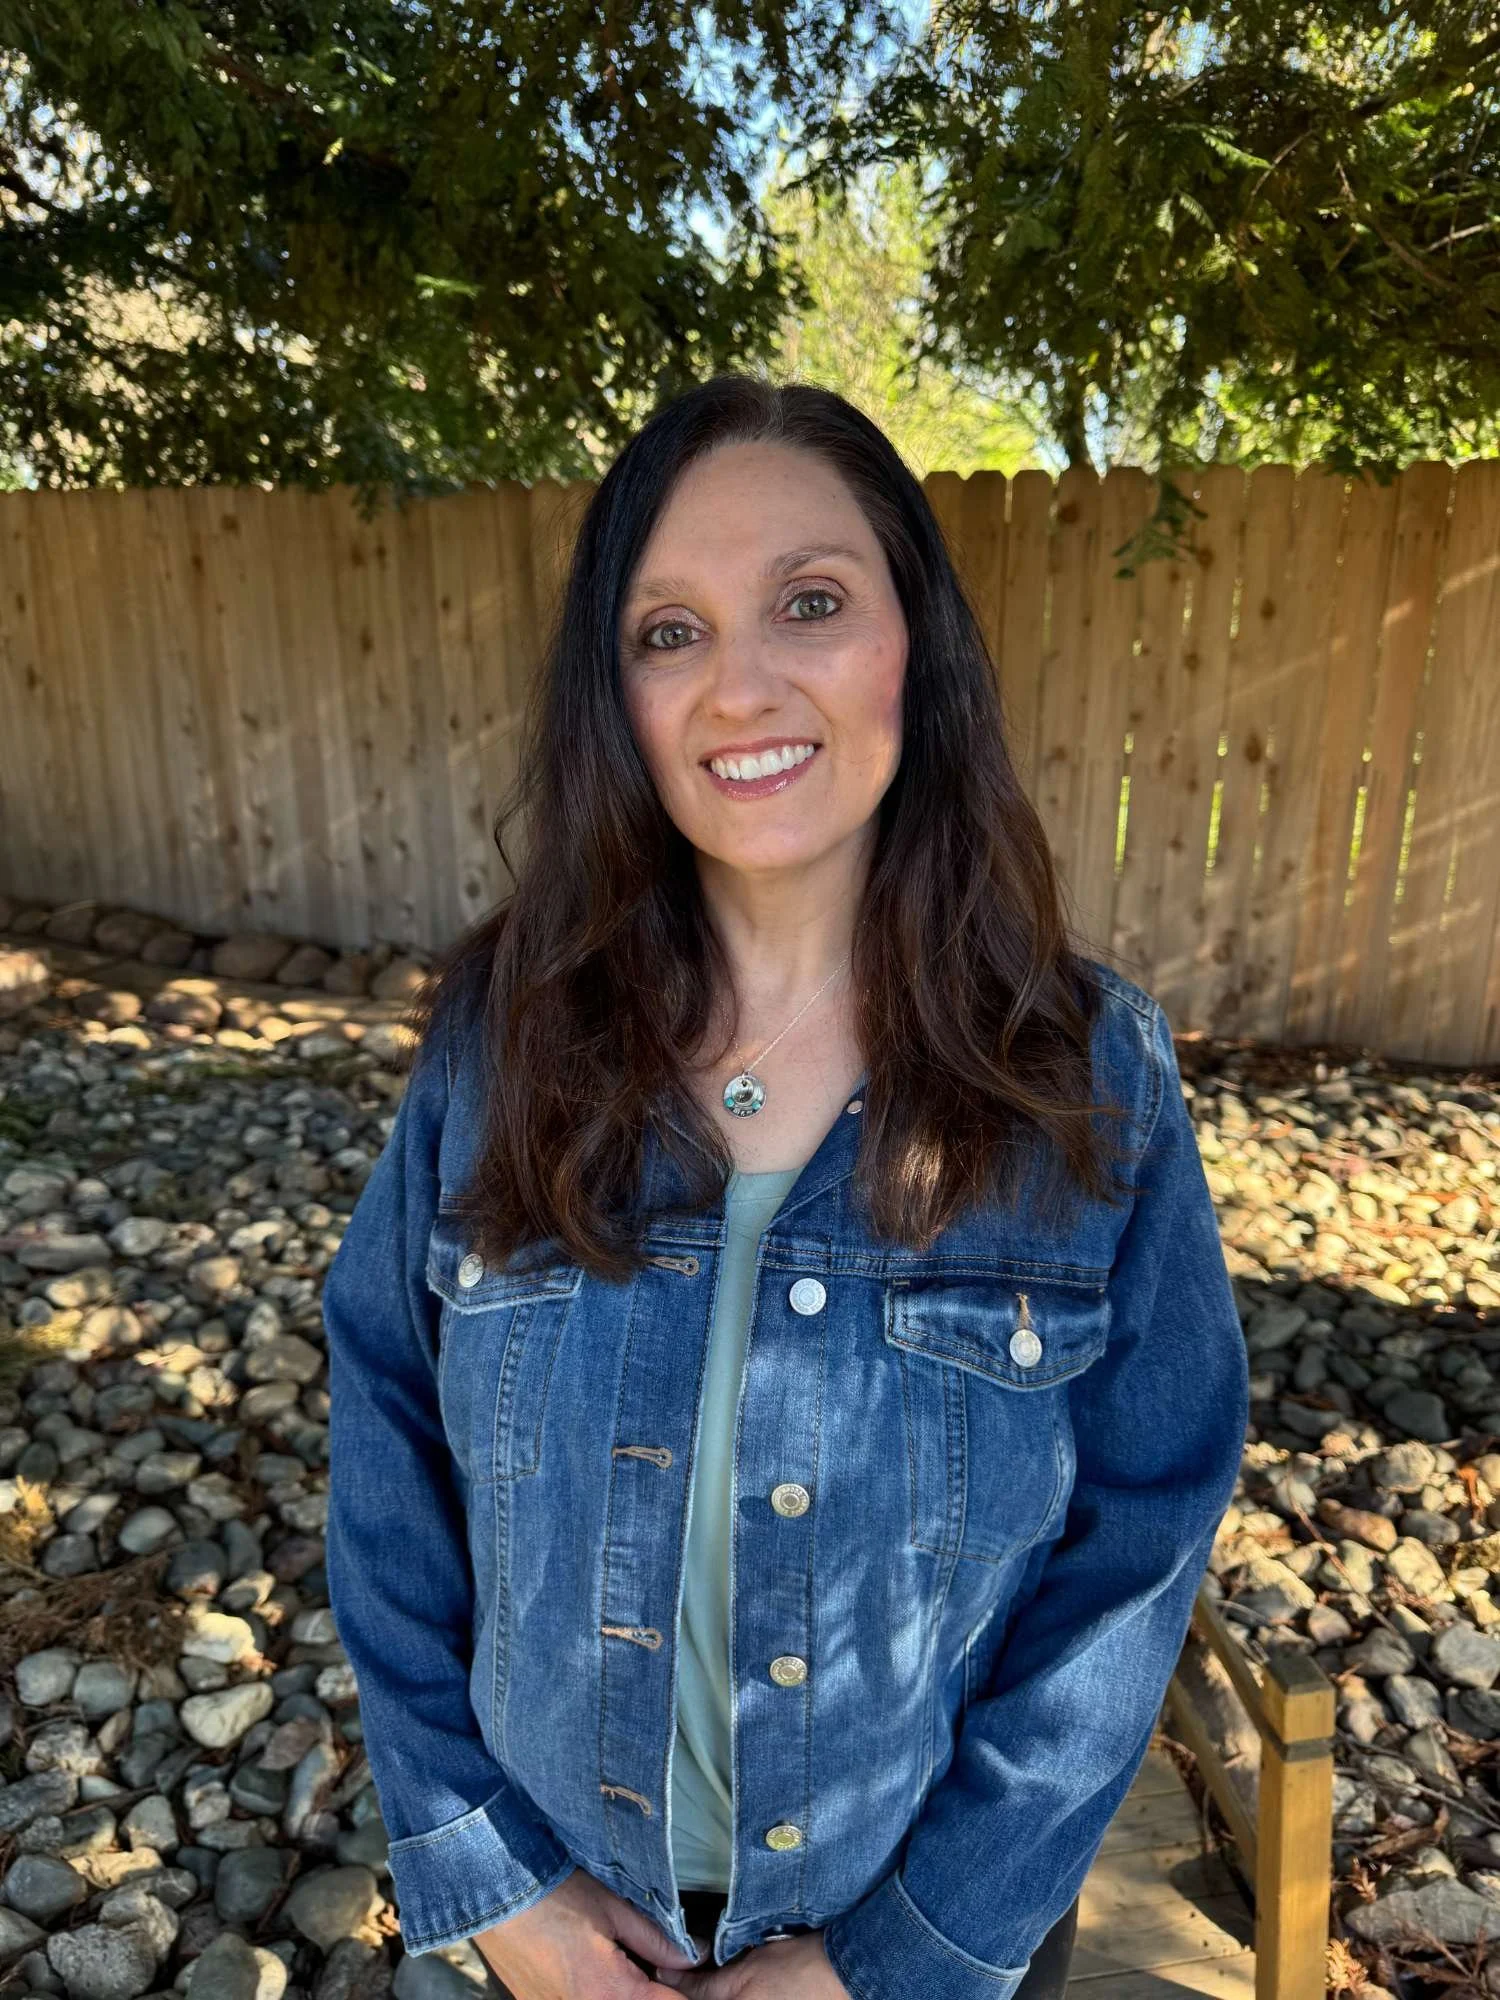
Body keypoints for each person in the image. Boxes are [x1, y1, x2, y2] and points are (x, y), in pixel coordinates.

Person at [322, 374, 1250, 2000]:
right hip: (544, 1946)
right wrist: (488, 1877)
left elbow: (1143, 1537)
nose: (738, 687)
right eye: (667, 632)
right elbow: (385, 1423)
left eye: (808, 603)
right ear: (612, 696)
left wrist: (896, 1959)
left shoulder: (1087, 1076)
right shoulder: (500, 1043)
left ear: (919, 646)